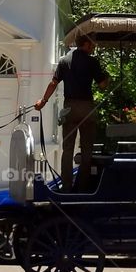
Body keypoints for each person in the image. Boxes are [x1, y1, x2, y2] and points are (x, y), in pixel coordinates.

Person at [34, 33, 110, 192]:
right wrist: (106, 76)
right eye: (92, 44)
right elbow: (102, 85)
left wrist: (43, 101)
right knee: (87, 149)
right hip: (87, 107)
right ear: (86, 44)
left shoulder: (64, 61)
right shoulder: (92, 61)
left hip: (69, 108)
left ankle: (67, 187)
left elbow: (53, 83)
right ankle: (82, 186)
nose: (93, 47)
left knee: (67, 149)